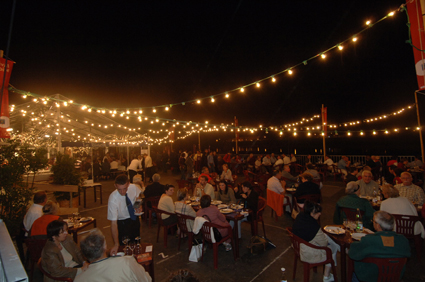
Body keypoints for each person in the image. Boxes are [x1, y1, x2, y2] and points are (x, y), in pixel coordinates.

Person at [349, 211, 411, 282]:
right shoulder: (403, 240)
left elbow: (353, 253)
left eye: (373, 221)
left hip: (369, 277)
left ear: (378, 225)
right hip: (394, 276)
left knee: (354, 272)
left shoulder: (369, 240)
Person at [75, 229, 151, 282]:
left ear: (84, 255)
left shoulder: (79, 279)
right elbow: (146, 279)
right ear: (105, 246)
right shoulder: (126, 262)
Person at [293, 201, 339, 282]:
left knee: (329, 240)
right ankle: (326, 276)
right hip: (309, 254)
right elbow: (324, 243)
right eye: (318, 212)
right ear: (312, 213)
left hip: (299, 247)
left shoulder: (300, 216)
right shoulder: (313, 226)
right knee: (333, 247)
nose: (320, 214)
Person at [107, 174, 143, 256]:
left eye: (125, 188)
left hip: (134, 219)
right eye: (119, 189)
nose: (122, 192)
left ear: (128, 184)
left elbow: (138, 196)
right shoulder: (113, 199)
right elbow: (113, 223)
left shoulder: (133, 187)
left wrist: (137, 206)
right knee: (125, 249)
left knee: (136, 244)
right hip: (122, 223)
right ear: (115, 186)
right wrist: (116, 244)